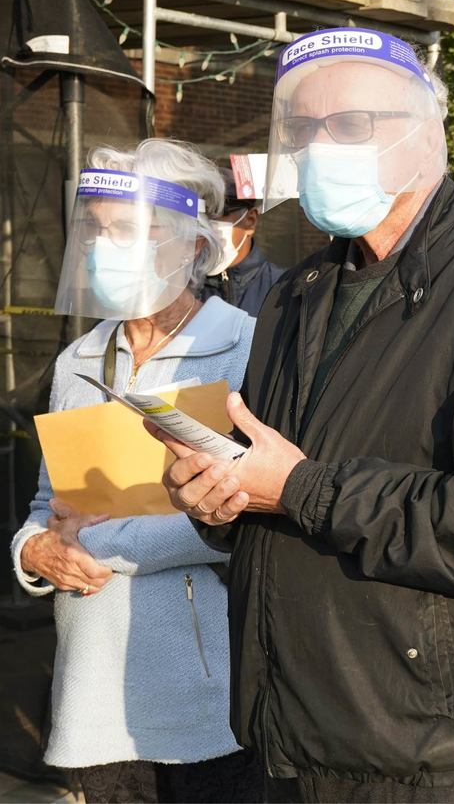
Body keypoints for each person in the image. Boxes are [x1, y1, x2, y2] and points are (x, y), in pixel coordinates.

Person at [148, 29, 454, 802]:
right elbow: (274, 469)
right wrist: (215, 497)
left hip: (425, 749)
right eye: (304, 129)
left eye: (349, 125)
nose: (321, 148)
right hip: (289, 731)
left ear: (426, 136)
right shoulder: (295, 293)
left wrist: (300, 489)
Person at [10, 139, 260, 802]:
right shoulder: (77, 360)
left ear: (187, 245)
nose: (99, 247)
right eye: (93, 229)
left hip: (205, 700)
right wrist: (31, 549)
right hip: (93, 691)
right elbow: (51, 500)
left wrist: (96, 543)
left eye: (122, 230)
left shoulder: (244, 348)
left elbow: (246, 511)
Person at [200, 164, 287, 315]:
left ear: (251, 220)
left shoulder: (282, 287)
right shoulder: (185, 287)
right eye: (203, 214)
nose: (208, 223)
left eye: (219, 212)